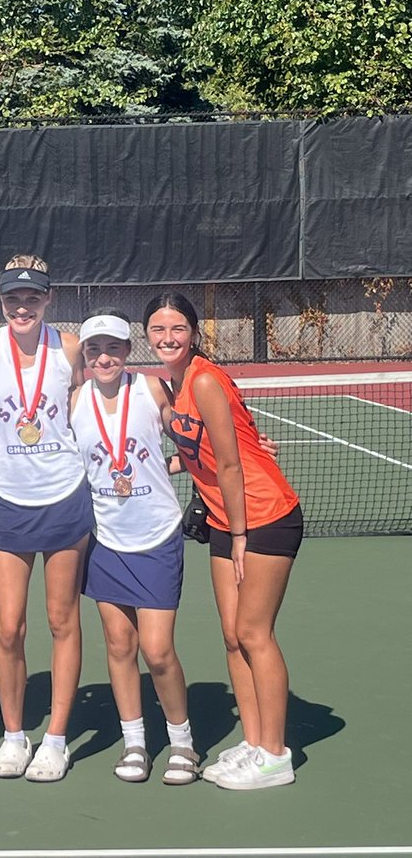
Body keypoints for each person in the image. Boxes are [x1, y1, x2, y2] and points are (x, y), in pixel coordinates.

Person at [144, 291, 303, 791]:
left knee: (255, 633)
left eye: (177, 330)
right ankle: (255, 743)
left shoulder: (205, 379)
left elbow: (231, 464)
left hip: (263, 517)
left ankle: (275, 755)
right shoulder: (174, 383)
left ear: (193, 333)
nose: (167, 338)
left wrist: (238, 534)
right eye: (157, 330)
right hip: (224, 518)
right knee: (232, 636)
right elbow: (203, 449)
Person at [0, 254, 93, 783]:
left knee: (62, 620)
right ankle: (14, 736)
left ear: (48, 299)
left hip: (64, 497)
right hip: (7, 501)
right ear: (0, 300)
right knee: (9, 625)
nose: (23, 306)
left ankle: (56, 740)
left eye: (33, 297)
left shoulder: (68, 348)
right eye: (13, 297)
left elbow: (91, 411)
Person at [70, 309, 199, 785]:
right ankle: (135, 742)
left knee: (158, 650)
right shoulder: (74, 402)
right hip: (105, 540)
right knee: (120, 645)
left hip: (157, 535)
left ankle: (183, 742)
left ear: (128, 351)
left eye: (113, 348)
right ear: (84, 356)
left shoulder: (149, 389)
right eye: (94, 349)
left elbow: (191, 440)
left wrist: (241, 447)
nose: (104, 358)